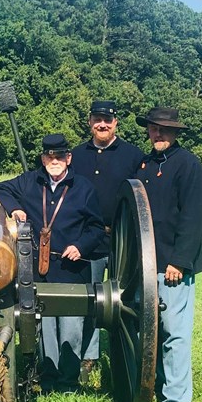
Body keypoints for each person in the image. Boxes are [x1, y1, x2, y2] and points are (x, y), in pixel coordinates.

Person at [0, 134, 104, 393]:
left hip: (71, 269)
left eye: (60, 156)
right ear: (43, 159)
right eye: (50, 157)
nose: (55, 161)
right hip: (37, 271)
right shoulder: (30, 181)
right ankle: (48, 378)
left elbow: (97, 228)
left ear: (68, 158)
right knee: (45, 325)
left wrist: (80, 247)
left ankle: (68, 381)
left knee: (71, 327)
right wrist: (15, 208)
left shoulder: (84, 187)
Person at [135, 107, 202, 402]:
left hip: (173, 266)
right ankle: (155, 388)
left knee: (174, 333)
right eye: (153, 129)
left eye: (164, 130)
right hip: (144, 265)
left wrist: (180, 260)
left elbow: (194, 216)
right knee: (150, 331)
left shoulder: (188, 164)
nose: (158, 134)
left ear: (175, 132)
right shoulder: (144, 165)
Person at [71, 100, 143, 382]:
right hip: (87, 241)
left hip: (122, 242)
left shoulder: (133, 155)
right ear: (90, 122)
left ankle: (123, 357)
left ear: (116, 123)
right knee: (89, 300)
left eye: (107, 120)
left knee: (124, 302)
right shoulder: (75, 155)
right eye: (97, 119)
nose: (102, 124)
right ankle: (87, 358)